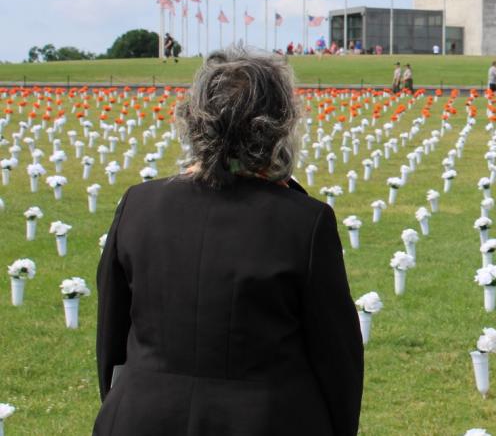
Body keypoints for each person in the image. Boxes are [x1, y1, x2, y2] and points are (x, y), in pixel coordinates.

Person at [94, 47, 363, 436]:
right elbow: (337, 362)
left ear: (193, 119)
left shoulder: (139, 204)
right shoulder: (304, 221)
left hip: (142, 417)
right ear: (278, 124)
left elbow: (112, 343)